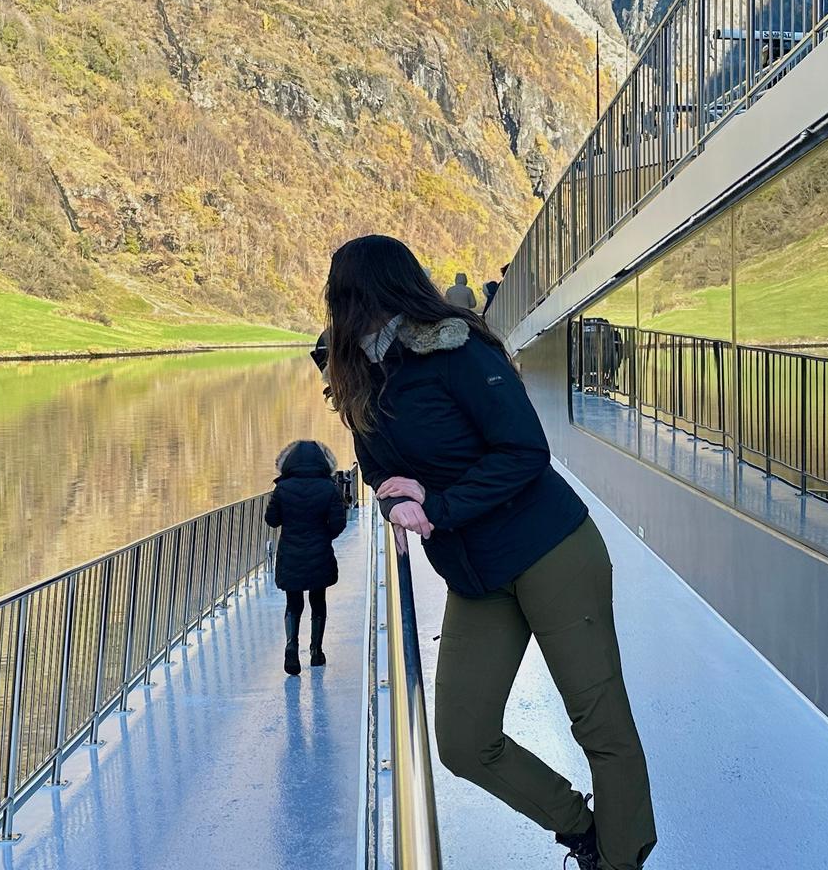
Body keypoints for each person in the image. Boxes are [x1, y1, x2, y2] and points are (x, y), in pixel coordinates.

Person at [322, 234, 655, 870]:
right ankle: (581, 828)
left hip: (552, 551)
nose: (336, 307)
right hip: (476, 577)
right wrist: (395, 504)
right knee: (463, 740)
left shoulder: (457, 350)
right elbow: (379, 471)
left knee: (601, 724)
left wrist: (438, 506)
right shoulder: (360, 376)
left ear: (370, 292)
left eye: (341, 295)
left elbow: (525, 450)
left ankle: (620, 859)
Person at [265, 439, 351, 675]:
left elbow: (271, 519)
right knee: (318, 601)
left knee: (293, 602)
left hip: (290, 554)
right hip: (319, 553)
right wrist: (324, 537)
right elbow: (339, 523)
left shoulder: (282, 488)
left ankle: (291, 647)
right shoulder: (329, 488)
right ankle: (316, 652)